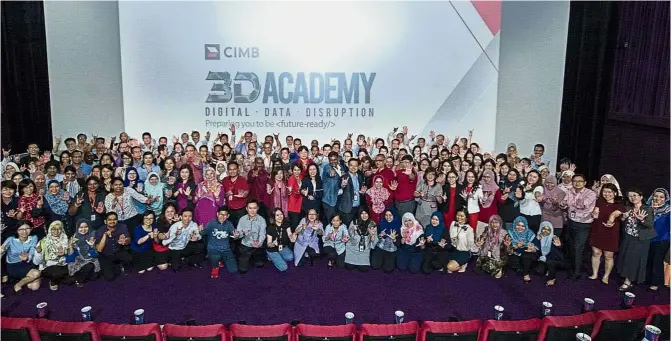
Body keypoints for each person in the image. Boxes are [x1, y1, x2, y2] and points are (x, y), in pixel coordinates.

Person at [612, 188, 655, 291]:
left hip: (640, 239)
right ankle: (627, 279)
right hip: (628, 237)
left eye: (635, 195)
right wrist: (623, 218)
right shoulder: (628, 208)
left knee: (633, 260)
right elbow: (624, 222)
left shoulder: (647, 209)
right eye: (630, 196)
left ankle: (628, 282)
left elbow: (650, 225)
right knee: (626, 258)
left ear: (640, 197)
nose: (633, 198)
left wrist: (642, 220)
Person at [560, 173, 597, 281]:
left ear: (585, 183)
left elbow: (583, 204)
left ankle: (577, 272)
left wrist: (578, 203)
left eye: (580, 181)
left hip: (583, 224)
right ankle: (571, 267)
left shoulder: (590, 193)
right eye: (575, 181)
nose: (577, 183)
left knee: (578, 248)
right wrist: (562, 204)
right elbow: (565, 204)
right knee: (570, 246)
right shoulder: (570, 191)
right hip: (571, 222)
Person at [589, 183, 624, 284]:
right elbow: (594, 215)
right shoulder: (599, 202)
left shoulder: (619, 205)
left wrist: (611, 220)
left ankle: (606, 276)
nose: (607, 194)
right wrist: (594, 214)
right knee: (596, 253)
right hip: (597, 230)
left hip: (611, 233)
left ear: (615, 193)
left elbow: (615, 213)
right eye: (605, 192)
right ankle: (595, 273)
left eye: (609, 192)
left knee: (608, 256)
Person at [1, 223, 41, 294]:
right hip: (13, 266)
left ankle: (19, 283)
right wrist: (2, 250)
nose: (24, 231)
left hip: (26, 263)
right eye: (21, 229)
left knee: (34, 287)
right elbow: (3, 248)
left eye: (27, 228)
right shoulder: (11, 239)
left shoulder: (34, 238)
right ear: (17, 230)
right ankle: (20, 283)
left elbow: (32, 252)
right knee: (36, 273)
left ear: (31, 229)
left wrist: (27, 257)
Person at [202, 206, 239, 278]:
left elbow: (234, 234)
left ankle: (220, 259)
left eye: (225, 215)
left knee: (233, 270)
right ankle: (215, 267)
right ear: (217, 214)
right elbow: (202, 233)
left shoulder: (229, 224)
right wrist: (199, 232)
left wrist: (236, 235)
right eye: (220, 214)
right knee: (215, 256)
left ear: (228, 216)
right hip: (213, 248)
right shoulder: (211, 223)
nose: (222, 216)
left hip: (225, 249)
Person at [95, 212, 132, 281]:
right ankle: (116, 266)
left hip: (118, 251)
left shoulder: (123, 227)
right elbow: (99, 249)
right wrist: (104, 236)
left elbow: (129, 240)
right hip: (105, 255)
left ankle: (118, 264)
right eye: (110, 219)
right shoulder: (99, 231)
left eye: (114, 219)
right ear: (105, 221)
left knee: (130, 258)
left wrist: (125, 241)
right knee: (109, 277)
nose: (112, 221)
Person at [33, 221, 70, 290]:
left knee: (69, 280)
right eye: (53, 229)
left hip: (63, 264)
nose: (56, 231)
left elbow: (70, 257)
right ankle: (53, 281)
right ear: (50, 229)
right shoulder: (43, 242)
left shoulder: (65, 239)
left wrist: (65, 252)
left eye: (59, 229)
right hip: (48, 266)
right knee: (57, 273)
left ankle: (62, 278)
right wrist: (39, 252)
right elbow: (36, 262)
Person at [646, 188, 670, 292]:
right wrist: (651, 210)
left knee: (657, 260)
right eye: (656, 196)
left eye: (661, 197)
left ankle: (655, 283)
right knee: (648, 259)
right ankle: (647, 279)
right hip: (648, 239)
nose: (658, 199)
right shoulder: (647, 208)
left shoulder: (669, 210)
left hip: (662, 239)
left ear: (666, 199)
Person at [65, 219, 100, 287]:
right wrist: (70, 246)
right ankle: (79, 279)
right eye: (81, 227)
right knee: (87, 271)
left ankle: (75, 278)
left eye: (85, 227)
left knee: (93, 274)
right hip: (79, 263)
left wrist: (92, 247)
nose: (83, 229)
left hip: (91, 261)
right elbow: (70, 259)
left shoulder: (93, 236)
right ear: (77, 228)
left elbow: (95, 255)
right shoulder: (74, 238)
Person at [236, 200, 267, 273]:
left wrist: (259, 242)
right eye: (250, 208)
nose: (252, 210)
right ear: (246, 208)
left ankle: (256, 257)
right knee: (242, 270)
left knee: (260, 264)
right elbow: (239, 233)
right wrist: (240, 234)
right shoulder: (242, 219)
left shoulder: (262, 220)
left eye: (254, 208)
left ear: (257, 208)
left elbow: (262, 234)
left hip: (258, 245)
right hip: (246, 244)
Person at [532, 221, 566, 286]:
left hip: (554, 260)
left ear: (551, 230)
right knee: (539, 271)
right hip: (544, 260)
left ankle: (552, 278)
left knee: (550, 262)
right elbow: (535, 251)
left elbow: (560, 255)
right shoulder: (538, 237)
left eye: (548, 229)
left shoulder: (554, 238)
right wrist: (537, 240)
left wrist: (559, 246)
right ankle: (547, 269)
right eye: (543, 228)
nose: (545, 231)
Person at [345, 207, 377, 271]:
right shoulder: (354, 222)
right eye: (362, 214)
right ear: (359, 214)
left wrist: (372, 235)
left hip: (365, 249)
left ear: (368, 214)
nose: (364, 216)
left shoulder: (372, 224)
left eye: (366, 213)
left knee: (363, 269)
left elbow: (374, 241)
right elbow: (349, 236)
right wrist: (352, 230)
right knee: (349, 267)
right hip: (353, 247)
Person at [508, 216, 537, 283]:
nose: (520, 228)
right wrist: (516, 246)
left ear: (526, 226)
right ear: (515, 224)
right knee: (510, 258)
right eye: (518, 225)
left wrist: (532, 248)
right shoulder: (510, 232)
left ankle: (525, 273)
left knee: (526, 256)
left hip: (527, 253)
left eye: (523, 226)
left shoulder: (530, 233)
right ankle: (523, 268)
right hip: (516, 252)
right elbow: (508, 247)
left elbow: (536, 246)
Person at [371, 208, 401, 273]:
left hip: (391, 249)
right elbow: (377, 237)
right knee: (375, 266)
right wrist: (380, 235)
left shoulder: (399, 226)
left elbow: (399, 244)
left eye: (390, 215)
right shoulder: (381, 223)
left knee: (388, 269)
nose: (388, 217)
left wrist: (394, 239)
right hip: (380, 247)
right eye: (386, 215)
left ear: (394, 216)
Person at [337, 158, 365, 226]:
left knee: (356, 228)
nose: (353, 167)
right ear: (348, 166)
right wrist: (343, 185)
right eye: (351, 165)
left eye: (355, 166)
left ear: (358, 166)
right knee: (346, 228)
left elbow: (360, 190)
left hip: (358, 207)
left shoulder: (360, 176)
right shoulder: (344, 177)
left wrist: (362, 192)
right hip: (347, 208)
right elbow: (339, 190)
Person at [287, 163, 304, 229]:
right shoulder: (291, 179)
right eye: (295, 170)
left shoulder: (302, 177)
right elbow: (290, 192)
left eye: (298, 170)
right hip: (293, 205)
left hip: (301, 205)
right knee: (295, 226)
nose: (296, 172)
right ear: (292, 170)